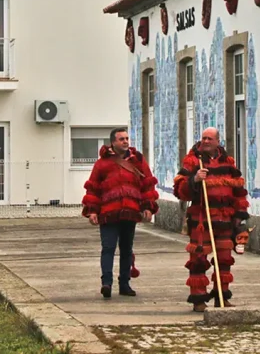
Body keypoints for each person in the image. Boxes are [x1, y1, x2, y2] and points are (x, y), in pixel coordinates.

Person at [173, 127, 249, 312]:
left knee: (224, 259)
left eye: (209, 139)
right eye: (203, 138)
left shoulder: (228, 163)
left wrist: (239, 216)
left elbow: (239, 191)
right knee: (198, 259)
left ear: (217, 141)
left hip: (224, 220)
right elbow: (179, 189)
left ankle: (221, 297)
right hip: (201, 220)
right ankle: (199, 300)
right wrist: (195, 180)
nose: (205, 141)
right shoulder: (193, 161)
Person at [81, 127, 159, 298]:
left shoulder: (137, 161)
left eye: (126, 138)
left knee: (126, 249)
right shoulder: (102, 164)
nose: (125, 141)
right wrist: (92, 211)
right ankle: (106, 283)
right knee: (107, 248)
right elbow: (93, 188)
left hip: (130, 212)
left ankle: (124, 284)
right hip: (108, 213)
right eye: (121, 139)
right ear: (113, 142)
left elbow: (147, 185)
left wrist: (147, 206)